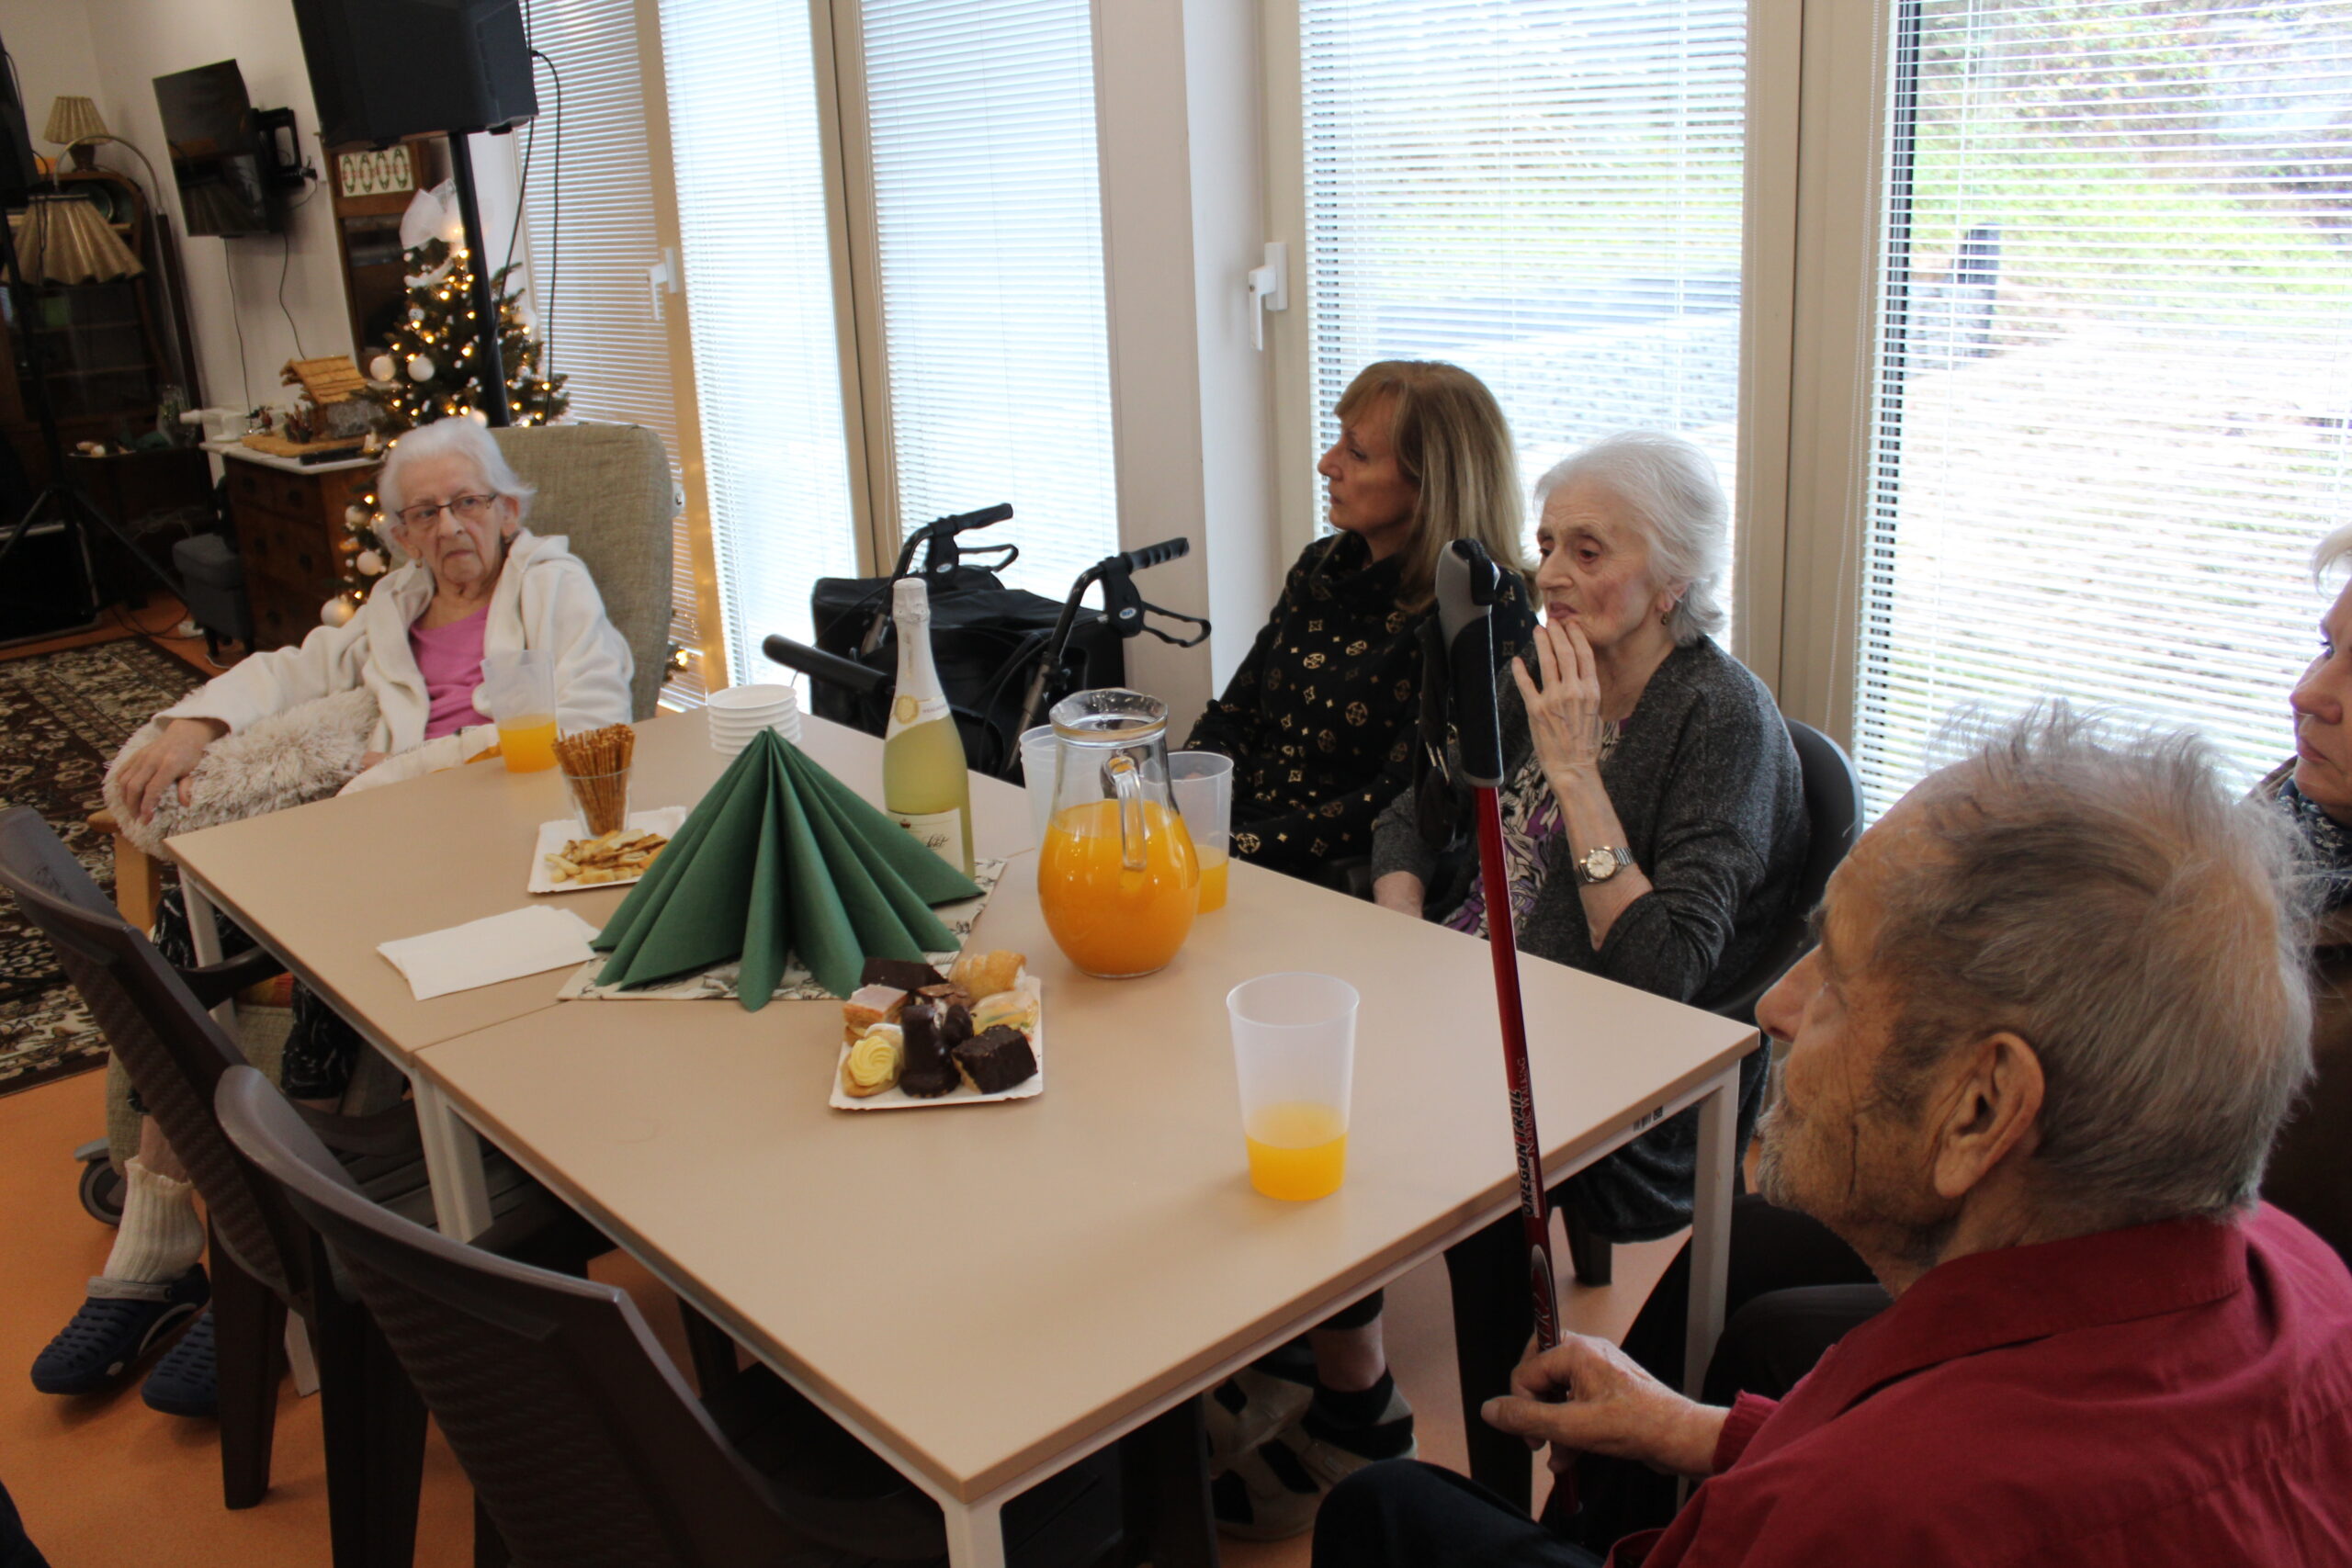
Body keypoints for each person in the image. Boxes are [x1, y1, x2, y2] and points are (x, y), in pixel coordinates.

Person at [1315, 707, 2352, 1568]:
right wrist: (1703, 1429)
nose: (1778, 1005)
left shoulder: (1869, 1518)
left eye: (1839, 982)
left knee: (1386, 1509)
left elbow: (1889, 1501)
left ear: (1980, 1109)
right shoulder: (2306, 1277)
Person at [1209, 432, 1806, 1539]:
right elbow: (1415, 803)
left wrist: (1574, 769)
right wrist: (1400, 926)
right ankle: (1313, 1357)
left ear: (1673, 580)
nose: (1551, 574)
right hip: (1459, 988)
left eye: (1589, 550)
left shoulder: (1719, 720)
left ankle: (1386, 1429)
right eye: (1546, 544)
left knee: (1346, 1109)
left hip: (1583, 1055)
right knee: (1271, 1062)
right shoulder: (1533, 660)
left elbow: (1665, 969)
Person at [31, 418, 632, 1416]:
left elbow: (594, 721)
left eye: (467, 502)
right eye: (423, 513)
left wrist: (408, 767)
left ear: (507, 508)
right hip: (384, 837)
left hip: (491, 845)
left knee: (319, 963)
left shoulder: (552, 588)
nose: (450, 527)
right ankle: (168, 1225)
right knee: (182, 934)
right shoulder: (396, 604)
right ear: (399, 534)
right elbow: (292, 669)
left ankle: (281, 1264)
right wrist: (194, 722)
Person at [1184, 360, 1536, 881]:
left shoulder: (1481, 606)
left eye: (1357, 453)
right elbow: (1234, 716)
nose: (1327, 464)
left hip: (1332, 872)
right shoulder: (1322, 565)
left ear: (1430, 484)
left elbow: (1404, 798)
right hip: (1237, 842)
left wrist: (1228, 848)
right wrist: (1185, 798)